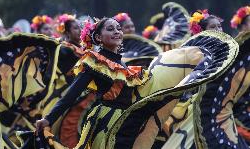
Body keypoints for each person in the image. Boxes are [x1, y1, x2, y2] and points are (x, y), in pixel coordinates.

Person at [34, 17, 237, 149]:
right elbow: (72, 93)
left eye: (118, 29)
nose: (117, 32)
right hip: (106, 122)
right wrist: (49, 119)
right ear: (98, 37)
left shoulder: (124, 65)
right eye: (110, 29)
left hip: (129, 118)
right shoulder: (94, 62)